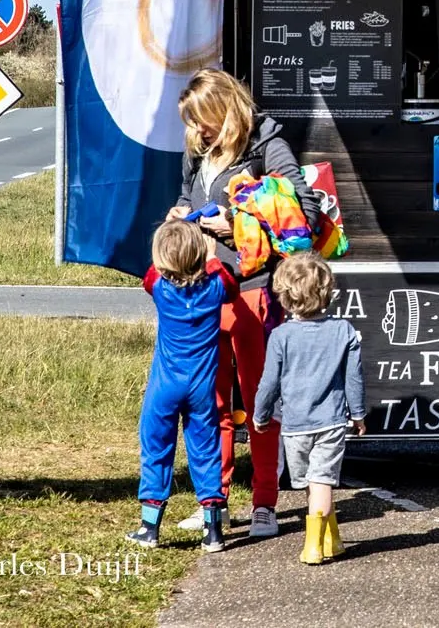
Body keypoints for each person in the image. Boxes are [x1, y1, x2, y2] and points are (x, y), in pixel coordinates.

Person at [168, 68, 301, 539]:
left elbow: (300, 217)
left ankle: (265, 502)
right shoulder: (197, 152)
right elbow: (187, 194)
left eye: (204, 120)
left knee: (260, 401)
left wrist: (241, 228)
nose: (198, 131)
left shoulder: (267, 145)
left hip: (252, 288)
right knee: (210, 402)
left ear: (226, 108)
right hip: (203, 290)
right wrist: (180, 213)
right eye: (192, 122)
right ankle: (214, 501)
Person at [128, 220, 237, 552]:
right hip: (202, 389)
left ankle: (150, 527)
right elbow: (231, 285)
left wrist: (171, 224)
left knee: (156, 448)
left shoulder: (159, 287)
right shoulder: (217, 287)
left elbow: (151, 272)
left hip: (165, 387)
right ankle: (213, 531)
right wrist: (212, 255)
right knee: (206, 452)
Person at [253, 252, 366, 566]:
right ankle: (319, 542)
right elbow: (354, 377)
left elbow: (268, 383)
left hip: (294, 424)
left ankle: (326, 540)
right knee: (322, 480)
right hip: (330, 420)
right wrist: (358, 413)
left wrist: (260, 415)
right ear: (326, 292)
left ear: (285, 296)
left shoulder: (281, 336)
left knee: (312, 483)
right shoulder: (343, 331)